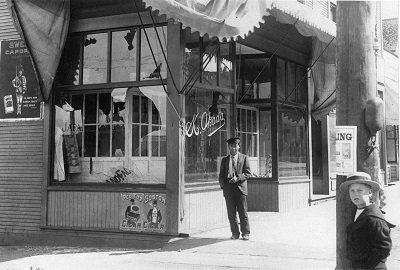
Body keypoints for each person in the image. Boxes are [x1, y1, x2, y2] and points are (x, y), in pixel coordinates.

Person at [339, 172, 395, 270]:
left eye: (359, 190)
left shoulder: (374, 219)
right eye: (352, 191)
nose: (355, 194)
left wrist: (366, 266)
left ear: (369, 192)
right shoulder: (357, 211)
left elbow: (384, 248)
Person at [219, 137, 252, 240]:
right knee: (231, 212)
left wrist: (238, 178)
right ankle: (235, 233)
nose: (234, 148)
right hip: (228, 187)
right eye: (231, 146)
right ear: (228, 147)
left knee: (243, 211)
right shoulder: (224, 160)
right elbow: (221, 174)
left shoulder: (244, 158)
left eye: (235, 146)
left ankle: (245, 233)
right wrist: (223, 184)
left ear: (239, 146)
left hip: (240, 187)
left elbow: (248, 173)